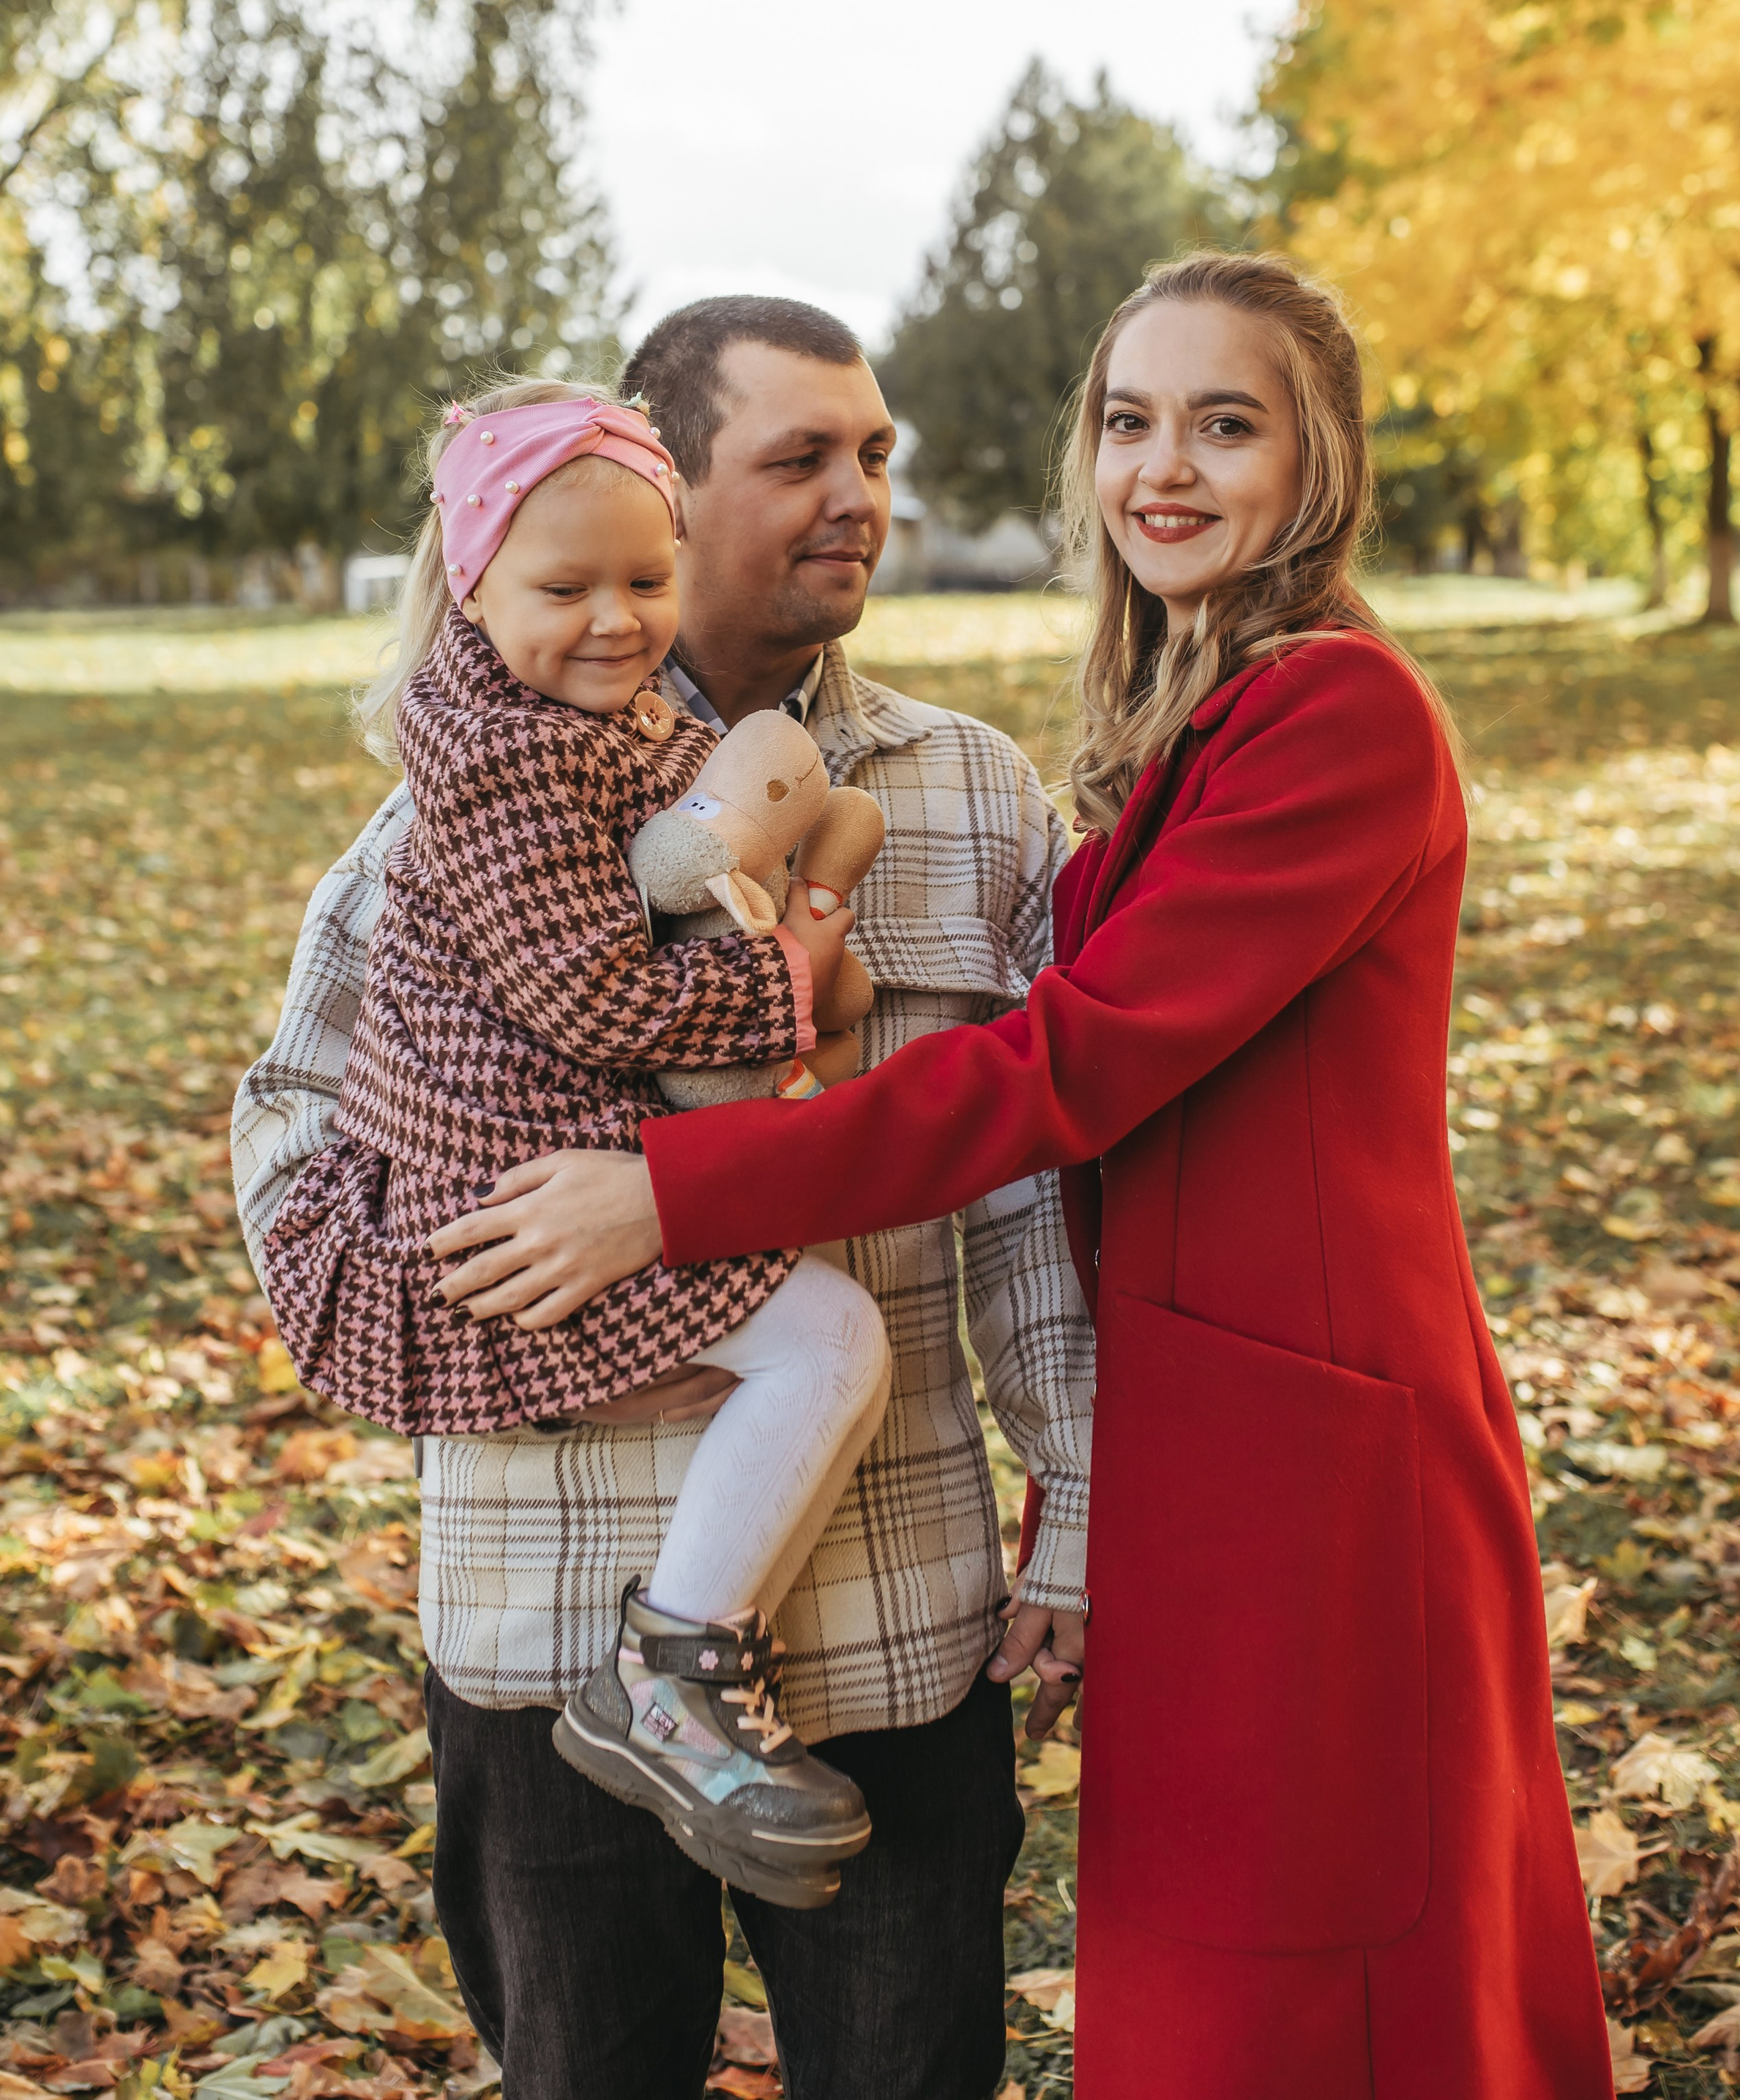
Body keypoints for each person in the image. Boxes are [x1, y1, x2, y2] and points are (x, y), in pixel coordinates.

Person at [505, 252, 1615, 2099]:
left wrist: (678, 1188)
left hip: (1311, 1454)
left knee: (1318, 1985)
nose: (1159, 468)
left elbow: (1065, 1069)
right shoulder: (1203, 714)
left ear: (1319, 459)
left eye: (1223, 424)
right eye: (1126, 421)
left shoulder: (1336, 718)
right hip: (1208, 1420)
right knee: (1216, 1968)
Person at [231, 296, 1094, 2100]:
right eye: (799, 458)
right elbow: (296, 1114)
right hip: (545, 1615)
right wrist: (468, 1302)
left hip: (887, 1621)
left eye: (874, 455)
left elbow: (1033, 1191)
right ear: (667, 490)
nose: (857, 496)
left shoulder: (964, 792)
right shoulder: (465, 805)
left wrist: (1078, 1496)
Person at [260, 380, 892, 1905]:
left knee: (821, 1345)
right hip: (510, 1186)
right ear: (471, 588)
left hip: (551, 1152)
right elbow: (591, 996)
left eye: (643, 579)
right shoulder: (505, 764)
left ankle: (689, 1661)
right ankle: (670, 1675)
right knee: (829, 1344)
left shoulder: (586, 725)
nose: (616, 620)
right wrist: (787, 973)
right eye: (564, 589)